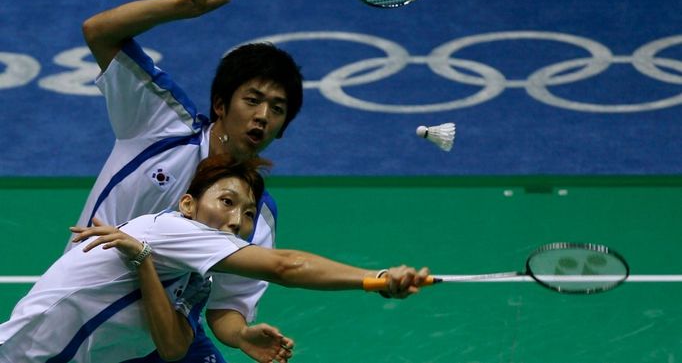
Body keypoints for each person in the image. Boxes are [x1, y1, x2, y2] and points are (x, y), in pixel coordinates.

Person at [70, 0, 304, 362]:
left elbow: (226, 304)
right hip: (85, 312)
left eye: (277, 110)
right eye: (252, 100)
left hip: (165, 339)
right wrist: (184, 7)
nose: (262, 116)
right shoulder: (158, 124)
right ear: (220, 105)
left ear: (282, 129)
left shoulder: (255, 215)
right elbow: (99, 31)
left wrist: (241, 334)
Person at [0, 155, 430, 363]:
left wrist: (144, 262)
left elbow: (172, 348)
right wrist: (375, 278)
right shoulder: (173, 229)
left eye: (247, 214)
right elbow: (285, 266)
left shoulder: (192, 275)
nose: (236, 220)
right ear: (187, 205)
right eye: (226, 201)